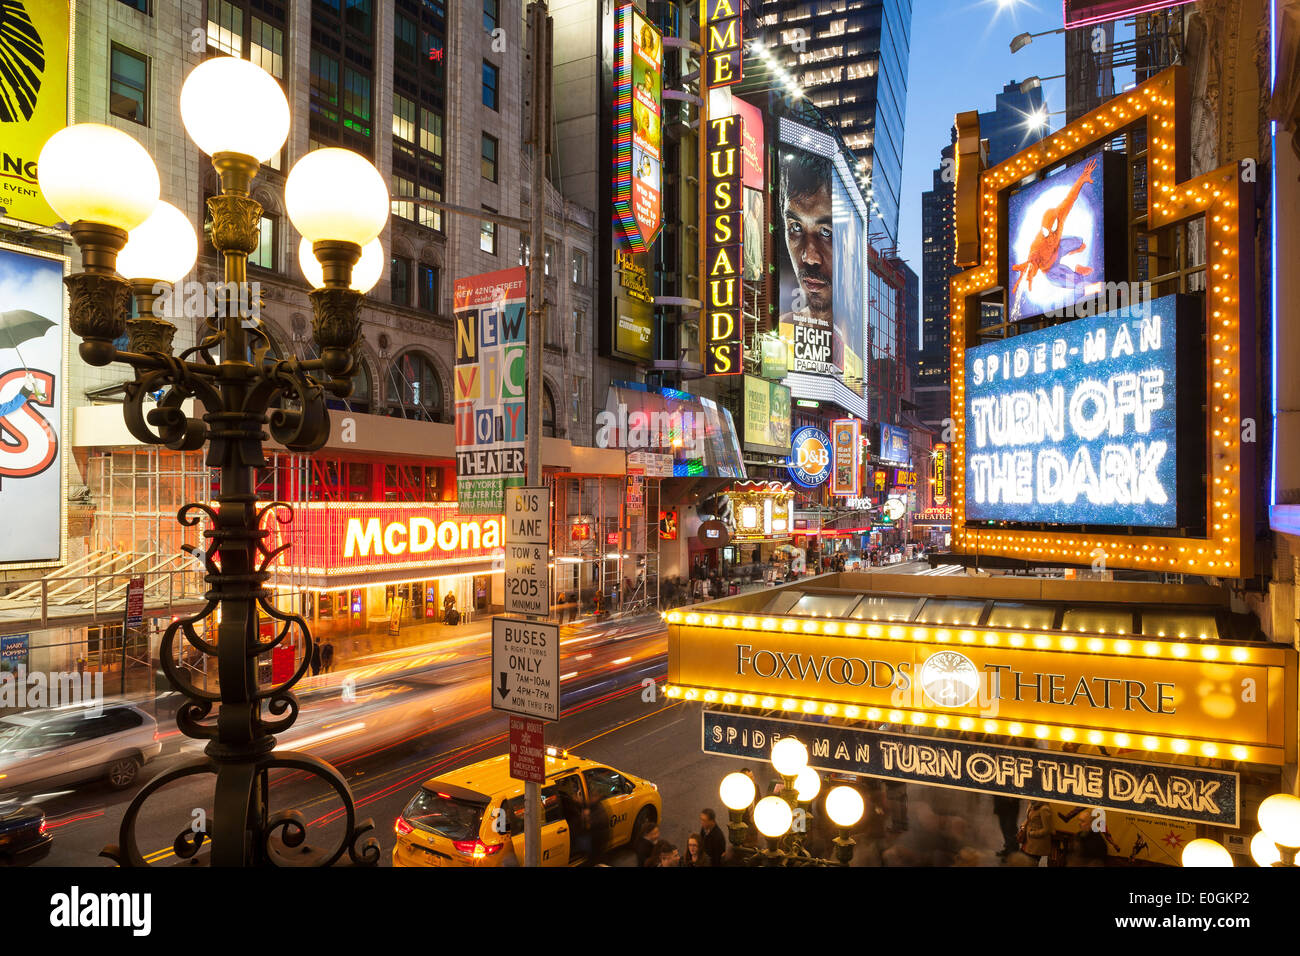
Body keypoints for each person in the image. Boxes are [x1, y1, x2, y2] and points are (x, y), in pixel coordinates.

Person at [1010, 157, 1099, 303]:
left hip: (1059, 248)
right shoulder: (1039, 243)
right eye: (1048, 231)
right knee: (1059, 280)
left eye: (1053, 228)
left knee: (1081, 244)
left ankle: (1074, 255)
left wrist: (1082, 179)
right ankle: (1076, 271)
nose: (1051, 233)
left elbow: (1071, 198)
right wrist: (1029, 268)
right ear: (1045, 229)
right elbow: (1033, 260)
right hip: (1051, 267)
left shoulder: (1060, 216)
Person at [1020, 800, 1054, 864]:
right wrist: (1023, 825)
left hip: (1036, 844)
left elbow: (1048, 829)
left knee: (1030, 863)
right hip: (1028, 841)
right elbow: (1029, 818)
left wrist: (1032, 833)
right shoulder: (1032, 804)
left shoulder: (1044, 809)